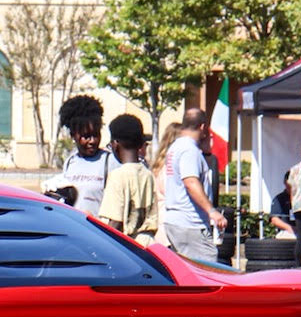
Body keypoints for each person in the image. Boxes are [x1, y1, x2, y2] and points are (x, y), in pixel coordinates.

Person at [159, 107, 225, 261]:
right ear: (202, 127)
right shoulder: (189, 150)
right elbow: (190, 182)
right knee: (208, 269)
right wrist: (211, 211)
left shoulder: (175, 148)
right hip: (190, 223)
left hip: (175, 221)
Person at [96, 113, 158, 244]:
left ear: (115, 144)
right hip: (148, 244)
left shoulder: (118, 175)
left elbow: (116, 222)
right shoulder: (148, 174)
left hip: (127, 247)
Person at [55, 94, 115, 212]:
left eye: (96, 135)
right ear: (73, 135)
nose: (92, 141)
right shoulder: (70, 162)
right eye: (86, 137)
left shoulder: (109, 162)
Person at [267, 162, 301, 266]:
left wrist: (294, 202)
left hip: (298, 206)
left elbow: (292, 189)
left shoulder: (294, 169)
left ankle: (300, 265)